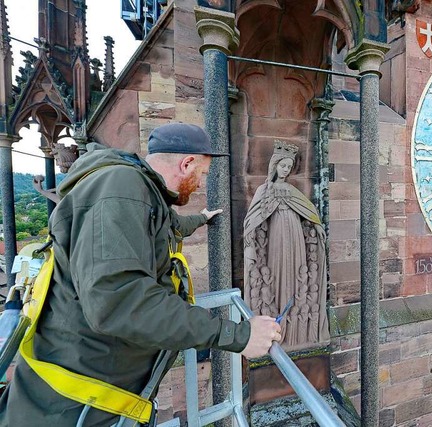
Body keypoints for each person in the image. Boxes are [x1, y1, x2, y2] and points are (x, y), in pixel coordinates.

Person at [0, 123, 281, 426]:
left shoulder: (140, 190)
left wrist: (202, 219)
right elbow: (119, 300)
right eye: (201, 173)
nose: (200, 183)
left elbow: (168, 226)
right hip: (72, 406)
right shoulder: (121, 189)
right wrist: (238, 335)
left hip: (94, 397)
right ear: (186, 163)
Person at [243, 141, 329, 349]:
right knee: (277, 272)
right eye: (283, 166)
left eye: (289, 168)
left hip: (296, 238)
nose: (285, 170)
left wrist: (316, 227)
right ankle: (276, 325)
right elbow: (252, 219)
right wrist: (251, 237)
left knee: (296, 274)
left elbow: (309, 212)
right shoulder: (264, 190)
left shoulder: (292, 191)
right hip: (277, 238)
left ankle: (297, 327)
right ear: (275, 165)